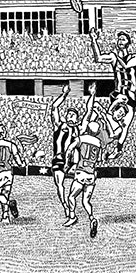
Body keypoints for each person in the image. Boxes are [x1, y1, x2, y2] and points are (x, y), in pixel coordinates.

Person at [63, 84, 122, 238]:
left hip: (81, 171)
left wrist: (67, 162)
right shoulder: (98, 144)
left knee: (71, 197)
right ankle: (91, 218)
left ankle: (72, 216)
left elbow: (69, 149)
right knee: (86, 202)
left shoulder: (81, 138)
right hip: (91, 175)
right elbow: (103, 158)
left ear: (88, 129)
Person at [89, 30, 136, 153]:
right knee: (108, 118)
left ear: (128, 42)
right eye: (119, 39)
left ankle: (118, 149)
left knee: (125, 125)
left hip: (129, 96)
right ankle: (98, 137)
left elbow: (126, 65)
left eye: (123, 39)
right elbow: (98, 58)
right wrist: (93, 40)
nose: (120, 41)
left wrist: (116, 57)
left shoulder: (135, 57)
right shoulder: (114, 57)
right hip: (117, 94)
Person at [49, 84, 80, 217]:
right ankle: (66, 206)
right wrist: (64, 94)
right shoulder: (60, 125)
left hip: (74, 162)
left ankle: (72, 203)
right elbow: (54, 107)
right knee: (59, 184)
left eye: (73, 115)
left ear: (76, 118)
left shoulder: (79, 129)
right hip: (59, 158)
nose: (70, 116)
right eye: (68, 114)